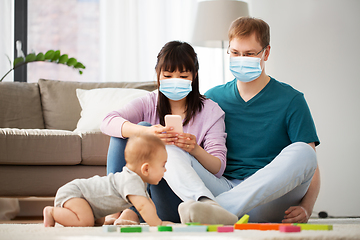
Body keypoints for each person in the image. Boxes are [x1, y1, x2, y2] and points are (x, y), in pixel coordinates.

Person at [178, 16, 319, 223]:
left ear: (266, 53)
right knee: (170, 149)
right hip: (221, 187)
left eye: (249, 54)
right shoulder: (212, 98)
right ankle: (215, 209)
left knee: (305, 152)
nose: (241, 59)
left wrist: (307, 208)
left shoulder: (292, 100)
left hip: (269, 199)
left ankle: (220, 210)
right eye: (235, 53)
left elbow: (310, 166)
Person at [100, 41, 238, 225]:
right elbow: (107, 121)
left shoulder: (210, 112)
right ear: (157, 75)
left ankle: (131, 211)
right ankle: (124, 209)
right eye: (167, 75)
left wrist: (194, 149)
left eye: (183, 76)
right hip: (151, 195)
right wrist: (147, 131)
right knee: (128, 131)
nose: (175, 81)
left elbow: (218, 168)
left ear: (194, 76)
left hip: (181, 199)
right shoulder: (149, 102)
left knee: (160, 148)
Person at [43, 134, 172, 227]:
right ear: (146, 169)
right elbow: (143, 206)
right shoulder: (131, 180)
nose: (165, 170)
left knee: (98, 222)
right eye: (163, 165)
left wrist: (156, 218)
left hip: (89, 203)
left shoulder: (138, 181)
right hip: (76, 194)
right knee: (85, 221)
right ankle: (52, 212)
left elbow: (149, 203)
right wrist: (157, 224)